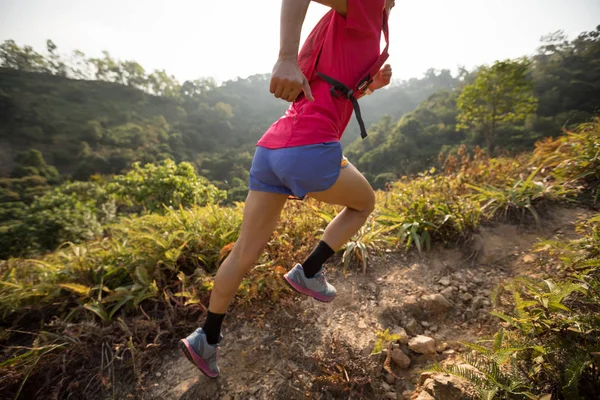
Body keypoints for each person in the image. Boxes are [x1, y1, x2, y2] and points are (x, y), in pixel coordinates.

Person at [179, 0, 395, 378]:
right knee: (364, 203)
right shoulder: (369, 4)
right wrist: (285, 58)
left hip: (272, 147)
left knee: (244, 252)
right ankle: (309, 271)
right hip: (308, 146)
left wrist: (368, 87)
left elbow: (334, 92)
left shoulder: (351, 26)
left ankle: (206, 337)